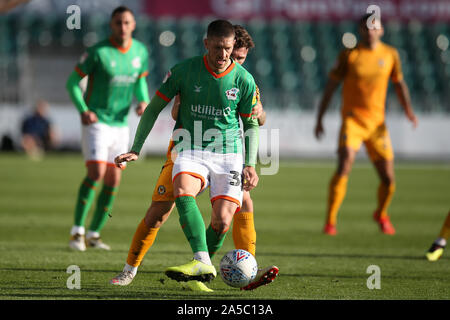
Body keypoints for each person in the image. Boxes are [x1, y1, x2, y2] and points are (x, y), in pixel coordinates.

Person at [110, 25, 278, 292]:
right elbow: (161, 108)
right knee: (158, 213)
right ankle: (130, 269)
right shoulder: (186, 71)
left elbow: (256, 120)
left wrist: (250, 164)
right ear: (206, 44)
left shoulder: (245, 80)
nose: (226, 55)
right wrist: (137, 147)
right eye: (219, 48)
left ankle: (217, 269)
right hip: (187, 148)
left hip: (228, 155)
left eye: (231, 51)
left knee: (231, 214)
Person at [314, 14, 418, 236]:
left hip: (377, 125)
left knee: (389, 180)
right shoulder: (350, 56)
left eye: (375, 27)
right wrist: (320, 118)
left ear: (381, 30)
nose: (371, 31)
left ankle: (381, 213)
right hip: (352, 121)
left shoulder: (390, 55)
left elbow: (399, 84)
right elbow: (331, 87)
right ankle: (330, 222)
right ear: (361, 30)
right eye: (366, 27)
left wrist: (408, 110)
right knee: (344, 165)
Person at [65, 6, 150, 251]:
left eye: (126, 23)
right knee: (96, 174)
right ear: (111, 25)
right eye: (118, 23)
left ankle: (94, 234)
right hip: (97, 122)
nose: (122, 27)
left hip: (120, 125)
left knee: (114, 180)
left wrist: (143, 101)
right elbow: (72, 83)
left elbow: (140, 82)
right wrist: (83, 110)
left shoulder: (140, 52)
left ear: (133, 25)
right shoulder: (98, 52)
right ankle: (76, 233)